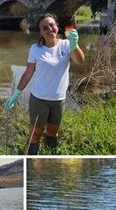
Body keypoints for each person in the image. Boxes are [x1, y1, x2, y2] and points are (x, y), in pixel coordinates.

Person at [5, 13, 85, 155]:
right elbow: (28, 73)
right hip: (39, 99)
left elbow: (79, 60)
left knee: (53, 132)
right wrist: (16, 94)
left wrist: (75, 44)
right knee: (36, 133)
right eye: (45, 27)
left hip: (58, 100)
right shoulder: (35, 49)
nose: (49, 29)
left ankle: (51, 158)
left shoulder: (67, 45)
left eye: (52, 25)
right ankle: (30, 160)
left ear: (57, 27)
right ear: (40, 32)